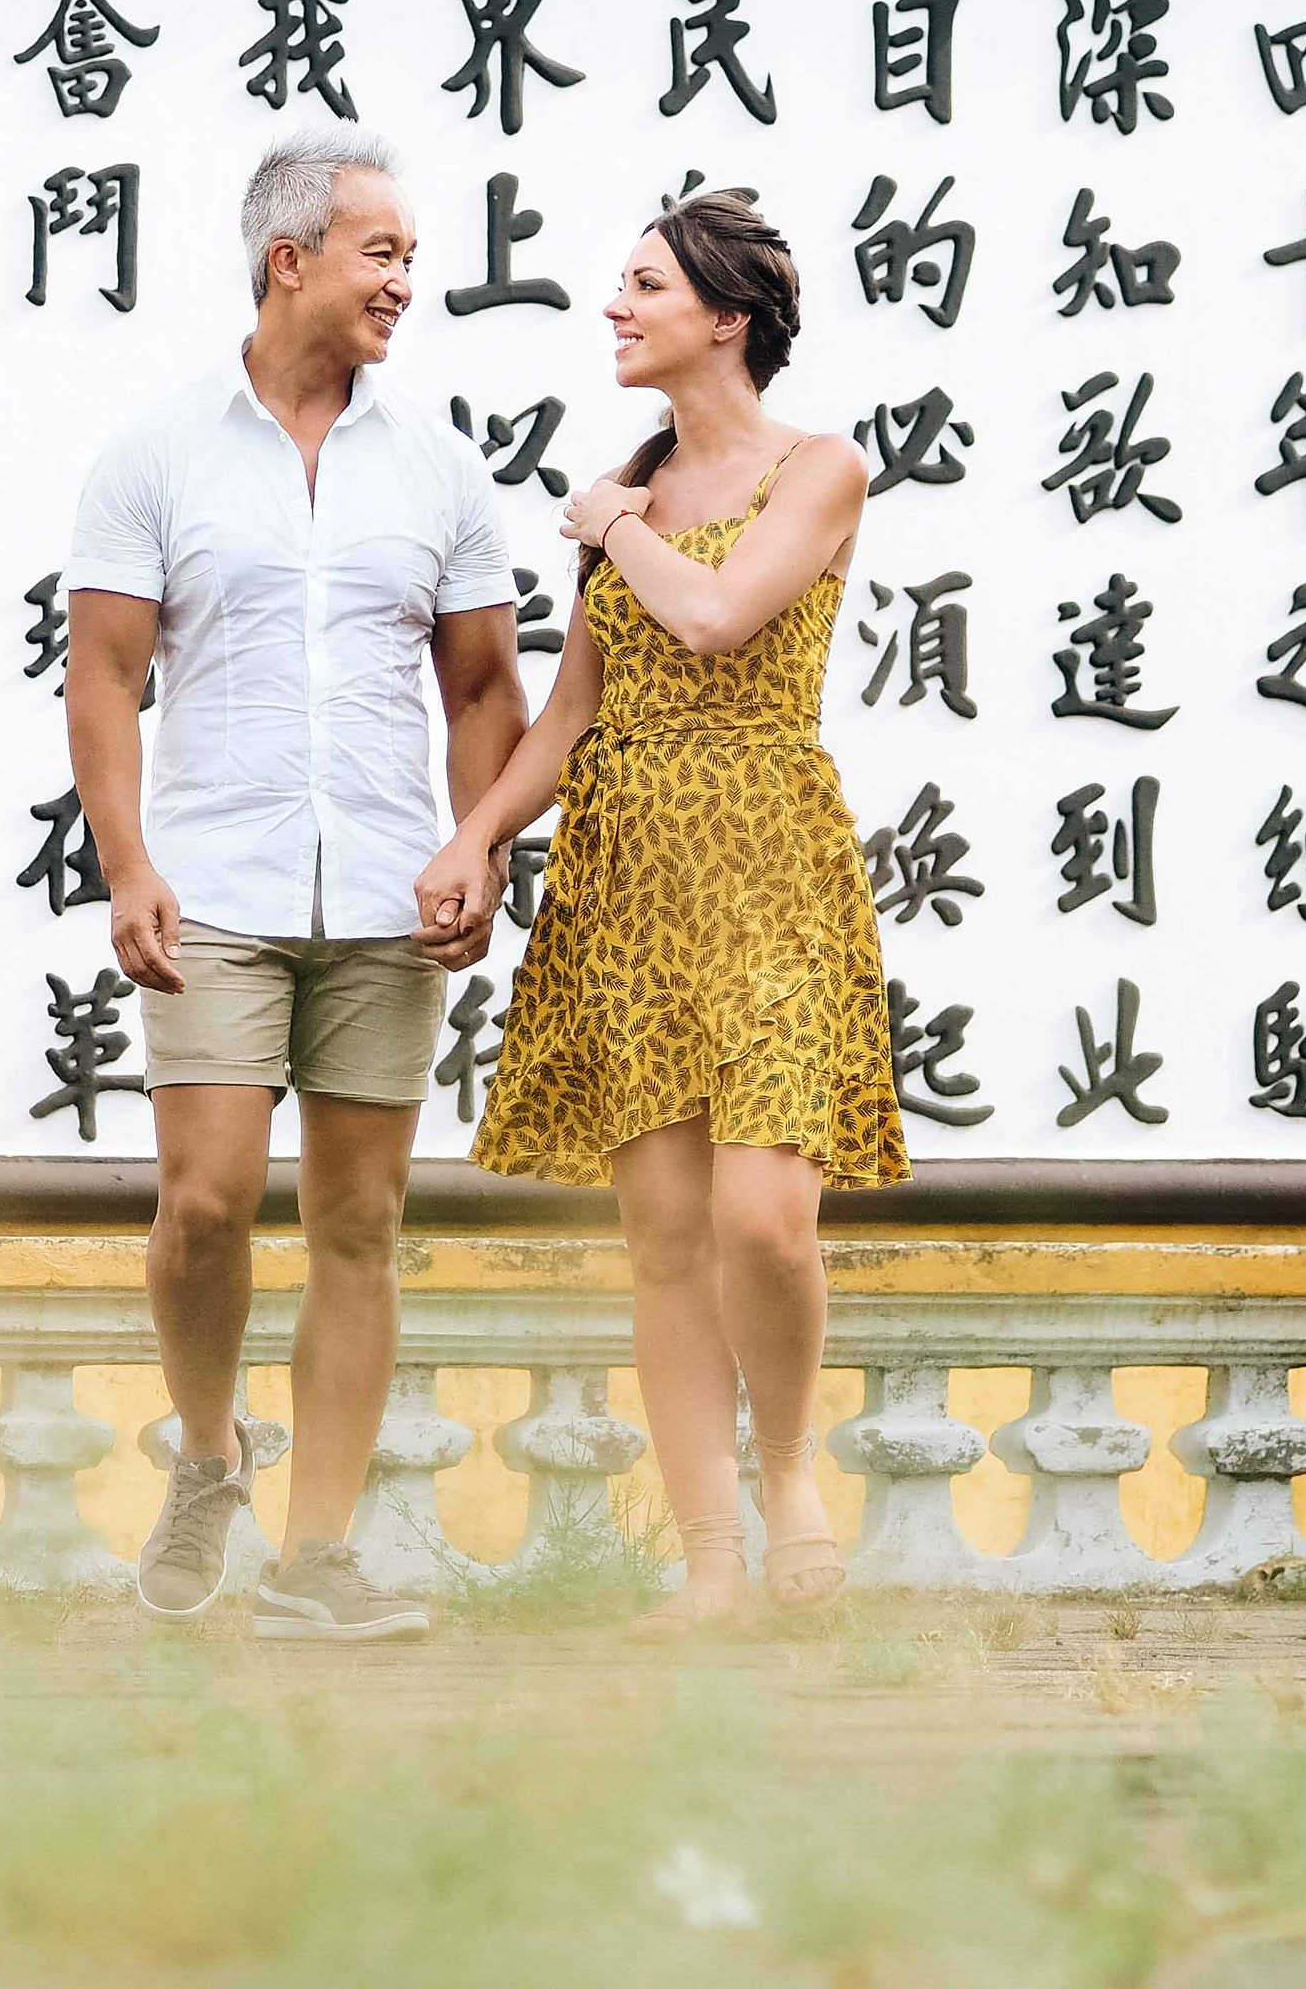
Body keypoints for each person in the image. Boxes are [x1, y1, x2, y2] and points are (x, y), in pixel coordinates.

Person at [414, 188, 907, 1636]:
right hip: (627, 878)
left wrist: (610, 527)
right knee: (667, 1241)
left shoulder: (821, 469)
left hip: (768, 861)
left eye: (643, 286)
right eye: (616, 286)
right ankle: (709, 1565)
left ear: (727, 319)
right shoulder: (626, 486)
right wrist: (479, 836)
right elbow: (576, 708)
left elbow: (715, 618)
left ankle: (793, 1478)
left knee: (765, 1217)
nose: (615, 310)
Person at [63, 130, 527, 1641]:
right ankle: (208, 1456)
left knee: (359, 1224)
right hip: (219, 892)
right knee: (201, 1205)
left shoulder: (440, 468)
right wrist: (128, 866)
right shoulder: (156, 453)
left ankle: (315, 1556)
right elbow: (108, 674)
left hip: (389, 893)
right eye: (381, 251)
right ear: (291, 262)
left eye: (404, 252)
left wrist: (479, 846)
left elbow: (480, 692)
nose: (407, 279)